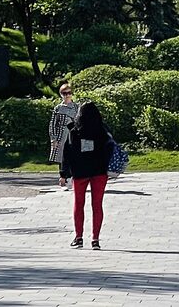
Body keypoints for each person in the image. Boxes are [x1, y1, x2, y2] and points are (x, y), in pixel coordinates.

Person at [61, 102, 113, 249]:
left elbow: (67, 153)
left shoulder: (74, 131)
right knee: (97, 205)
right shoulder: (102, 130)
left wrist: (64, 173)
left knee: (79, 204)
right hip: (99, 171)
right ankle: (95, 239)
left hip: (80, 172)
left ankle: (79, 237)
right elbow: (110, 149)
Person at [48, 82, 78, 190]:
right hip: (61, 136)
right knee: (61, 158)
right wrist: (53, 139)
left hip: (72, 136)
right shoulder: (58, 108)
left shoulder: (76, 107)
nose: (67, 95)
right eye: (65, 93)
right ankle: (63, 179)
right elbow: (52, 124)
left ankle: (70, 179)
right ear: (61, 94)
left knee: (72, 157)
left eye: (69, 93)